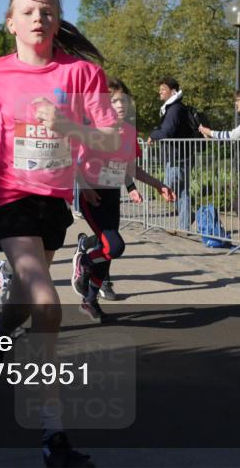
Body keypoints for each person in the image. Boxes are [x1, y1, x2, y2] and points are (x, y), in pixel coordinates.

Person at [0, 0, 119, 468]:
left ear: (58, 21)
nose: (38, 18)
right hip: (7, 192)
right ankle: (54, 436)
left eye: (47, 11)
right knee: (47, 303)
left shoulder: (81, 75)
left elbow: (110, 139)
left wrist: (71, 127)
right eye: (28, 11)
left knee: (24, 303)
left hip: (54, 197)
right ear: (11, 22)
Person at [72, 78, 175, 319]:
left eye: (123, 101)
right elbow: (73, 160)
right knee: (114, 247)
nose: (120, 105)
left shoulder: (129, 132)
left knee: (106, 252)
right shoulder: (92, 128)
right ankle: (84, 261)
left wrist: (157, 185)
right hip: (92, 194)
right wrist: (85, 187)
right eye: (114, 101)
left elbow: (131, 168)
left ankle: (90, 300)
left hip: (112, 195)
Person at [199, 88, 240, 242]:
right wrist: (212, 136)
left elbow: (233, 135)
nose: (235, 103)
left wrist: (210, 132)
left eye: (238, 100)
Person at [148, 76, 195, 232]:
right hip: (178, 154)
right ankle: (185, 224)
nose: (159, 92)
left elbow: (168, 131)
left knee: (169, 187)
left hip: (178, 156)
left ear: (173, 91)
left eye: (163, 89)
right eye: (159, 89)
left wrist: (153, 135)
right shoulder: (171, 108)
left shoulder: (174, 109)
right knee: (181, 191)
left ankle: (188, 219)